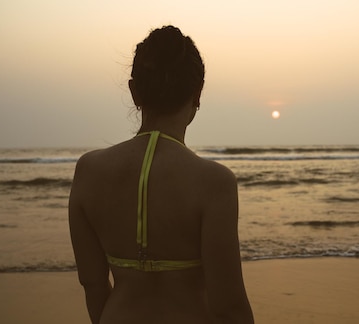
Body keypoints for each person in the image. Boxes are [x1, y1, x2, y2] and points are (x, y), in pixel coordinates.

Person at [69, 25, 254, 324]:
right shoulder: (213, 182)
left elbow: (92, 284)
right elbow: (228, 305)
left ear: (134, 91)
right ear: (198, 93)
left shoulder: (88, 171)